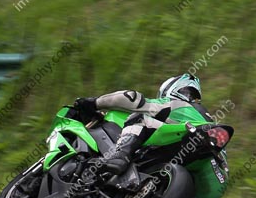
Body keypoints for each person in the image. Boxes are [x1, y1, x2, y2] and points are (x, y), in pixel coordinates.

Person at [73, 73, 212, 175]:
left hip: (184, 136)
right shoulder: (208, 121)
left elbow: (131, 99)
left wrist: (93, 103)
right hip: (205, 160)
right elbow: (214, 191)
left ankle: (120, 155)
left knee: (139, 117)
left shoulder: (178, 105)